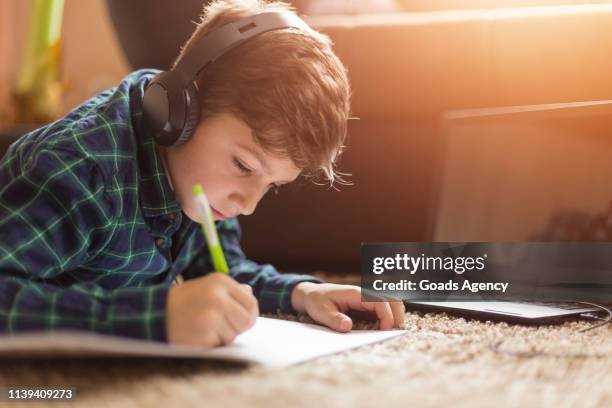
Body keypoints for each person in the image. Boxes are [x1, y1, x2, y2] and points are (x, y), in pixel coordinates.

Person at [0, 0, 405, 347]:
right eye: (244, 166)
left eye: (272, 186)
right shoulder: (80, 172)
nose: (248, 205)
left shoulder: (201, 185)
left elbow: (221, 272)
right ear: (179, 111)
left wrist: (304, 293)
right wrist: (155, 319)